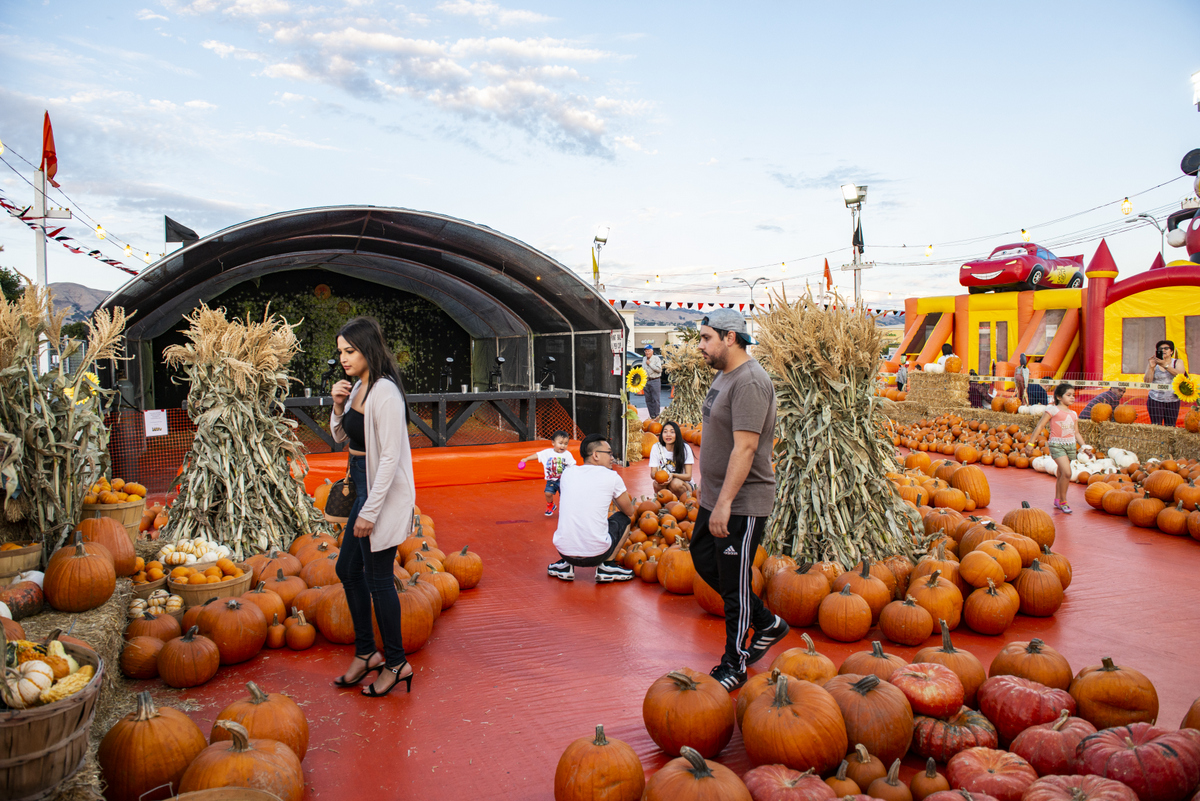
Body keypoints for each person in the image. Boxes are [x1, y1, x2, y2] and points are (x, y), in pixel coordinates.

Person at [693, 309, 785, 691]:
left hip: (741, 501)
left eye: (706, 338)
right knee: (702, 558)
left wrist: (725, 502)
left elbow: (745, 448)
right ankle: (766, 622)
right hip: (715, 495)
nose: (700, 346)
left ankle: (735, 662)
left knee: (734, 586)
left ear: (730, 337)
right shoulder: (724, 374)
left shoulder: (750, 382)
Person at [330, 317, 416, 698]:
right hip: (361, 486)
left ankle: (396, 663)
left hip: (378, 493)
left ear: (368, 348)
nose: (344, 359)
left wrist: (369, 511)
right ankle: (367, 652)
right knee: (347, 569)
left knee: (379, 579)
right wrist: (337, 406)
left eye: (350, 351)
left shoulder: (385, 393)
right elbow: (342, 436)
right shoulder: (357, 388)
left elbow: (390, 459)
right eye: (341, 352)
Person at [546, 434, 636, 583]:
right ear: (596, 455)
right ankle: (607, 566)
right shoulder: (611, 476)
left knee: (575, 514)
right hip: (597, 555)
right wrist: (613, 494)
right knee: (623, 519)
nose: (612, 458)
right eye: (609, 453)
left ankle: (566, 565)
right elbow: (629, 511)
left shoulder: (567, 473)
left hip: (565, 552)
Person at [1029, 382, 1093, 514]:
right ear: (1059, 397)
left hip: (1070, 445)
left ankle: (1057, 499)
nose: (1072, 397)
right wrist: (1031, 443)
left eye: (1073, 395)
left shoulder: (1074, 414)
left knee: (1061, 474)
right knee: (1068, 473)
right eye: (1068, 395)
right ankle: (1064, 501)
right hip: (1057, 445)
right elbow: (1040, 426)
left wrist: (1084, 447)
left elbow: (1076, 433)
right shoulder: (1053, 410)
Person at [517, 431, 576, 516]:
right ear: (553, 443)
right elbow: (537, 455)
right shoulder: (547, 453)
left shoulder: (567, 455)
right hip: (551, 480)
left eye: (566, 444)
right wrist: (526, 459)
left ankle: (566, 509)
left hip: (563, 480)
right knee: (548, 493)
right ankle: (550, 505)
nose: (563, 446)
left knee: (564, 496)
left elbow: (573, 465)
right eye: (560, 443)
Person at [1145, 340, 1185, 426]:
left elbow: (1181, 375)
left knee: (1170, 426)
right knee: (1156, 426)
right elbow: (1147, 382)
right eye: (1160, 349)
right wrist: (1151, 367)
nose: (1163, 350)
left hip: (1173, 399)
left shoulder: (1177, 362)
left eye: (1166, 348)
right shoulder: (1154, 363)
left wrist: (1165, 365)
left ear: (1171, 351)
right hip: (1155, 399)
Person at [649, 420, 694, 497]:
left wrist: (673, 475)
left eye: (672, 432)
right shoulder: (656, 447)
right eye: (665, 432)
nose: (668, 435)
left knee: (675, 483)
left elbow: (688, 476)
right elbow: (653, 473)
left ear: (677, 434)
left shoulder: (685, 448)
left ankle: (683, 501)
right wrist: (659, 477)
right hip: (666, 482)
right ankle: (665, 502)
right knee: (657, 484)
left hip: (684, 483)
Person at [643, 345, 664, 419]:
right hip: (646, 381)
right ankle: (651, 416)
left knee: (655, 399)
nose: (647, 353)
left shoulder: (656, 358)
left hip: (655, 380)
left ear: (652, 351)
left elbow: (659, 370)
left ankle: (657, 416)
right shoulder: (644, 359)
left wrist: (650, 364)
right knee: (648, 399)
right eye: (646, 351)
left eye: (648, 351)